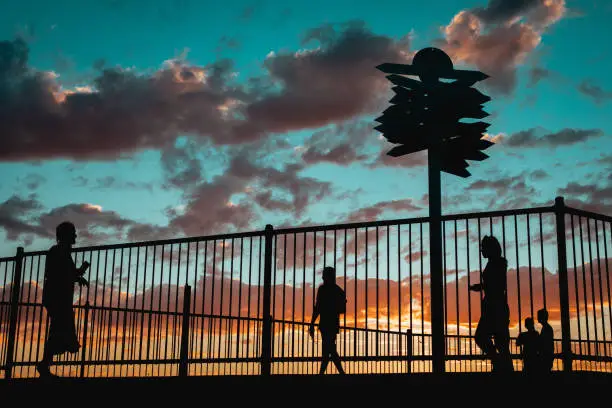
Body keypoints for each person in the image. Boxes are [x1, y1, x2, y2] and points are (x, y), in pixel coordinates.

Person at [37, 221, 90, 378]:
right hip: (57, 298)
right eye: (72, 232)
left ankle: (44, 365)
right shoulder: (59, 251)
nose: (75, 235)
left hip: (57, 298)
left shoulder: (61, 251)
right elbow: (61, 273)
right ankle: (44, 365)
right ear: (66, 235)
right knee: (59, 330)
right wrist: (79, 272)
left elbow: (66, 273)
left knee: (58, 330)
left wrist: (77, 275)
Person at [469, 235, 513, 372]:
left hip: (495, 307)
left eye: (483, 248)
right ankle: (502, 366)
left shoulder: (498, 263)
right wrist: (481, 287)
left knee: (482, 337)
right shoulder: (495, 263)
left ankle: (498, 362)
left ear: (490, 248)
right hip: (495, 307)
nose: (481, 251)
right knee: (501, 343)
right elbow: (493, 284)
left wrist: (484, 288)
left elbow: (497, 286)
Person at [309, 266, 346, 375]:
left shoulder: (324, 290)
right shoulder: (337, 291)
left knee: (328, 348)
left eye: (324, 275)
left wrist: (312, 323)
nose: (322, 277)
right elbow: (319, 308)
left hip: (327, 323)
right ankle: (339, 373)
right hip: (330, 324)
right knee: (329, 348)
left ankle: (328, 374)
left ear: (328, 276)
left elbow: (318, 308)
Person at [537, 308, 554, 373]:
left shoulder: (546, 328)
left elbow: (545, 343)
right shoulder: (546, 327)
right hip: (547, 356)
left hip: (545, 356)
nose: (537, 317)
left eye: (539, 316)